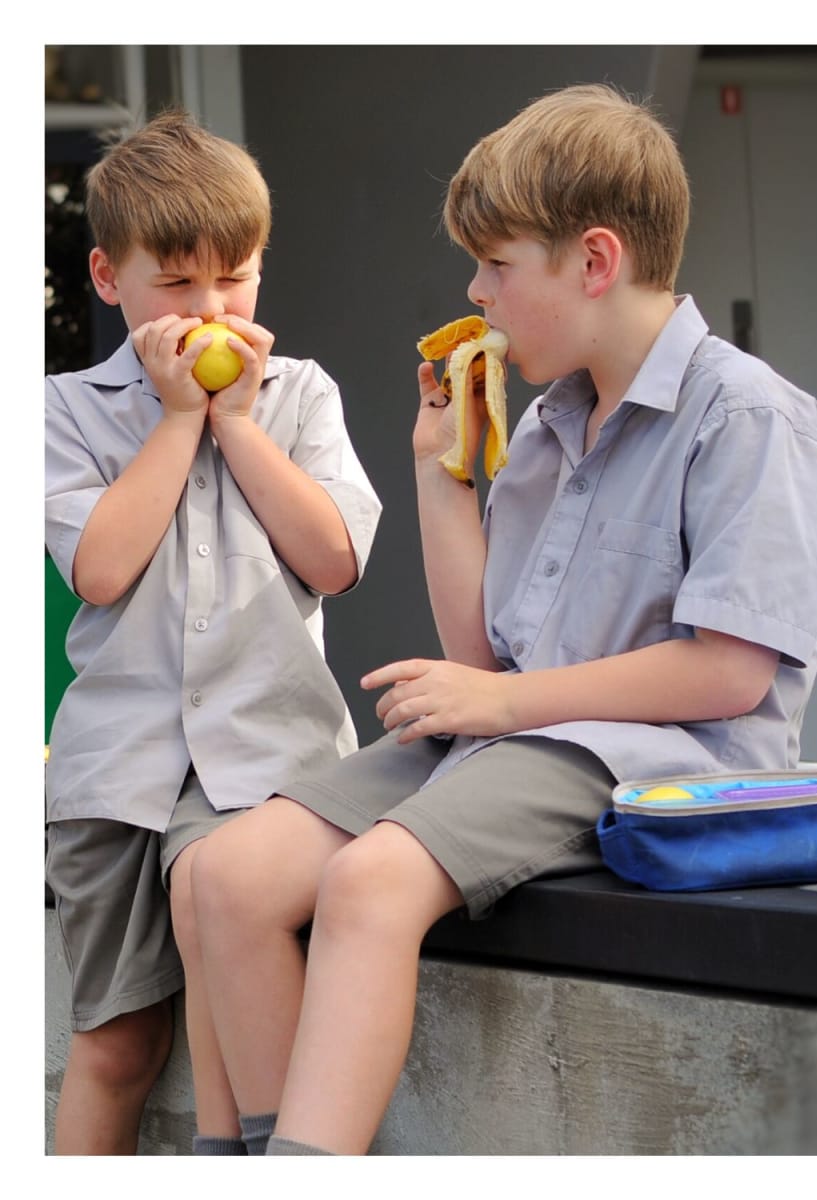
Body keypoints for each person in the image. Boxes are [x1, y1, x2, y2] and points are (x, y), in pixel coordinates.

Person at [190, 82, 817, 1155]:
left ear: (594, 262)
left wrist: (503, 703)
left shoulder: (749, 417)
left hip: (655, 758)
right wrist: (439, 473)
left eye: (497, 264)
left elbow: (730, 674)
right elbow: (483, 656)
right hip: (520, 736)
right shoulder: (544, 423)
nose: (476, 291)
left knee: (370, 882)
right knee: (224, 876)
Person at [44, 109, 381, 1155]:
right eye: (178, 282)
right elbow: (101, 568)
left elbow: (334, 558)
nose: (210, 309)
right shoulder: (64, 411)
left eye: (234, 278)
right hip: (116, 773)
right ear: (108, 278)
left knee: (225, 964)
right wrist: (180, 415)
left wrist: (234, 420)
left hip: (269, 757)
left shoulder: (301, 397)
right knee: (116, 1044)